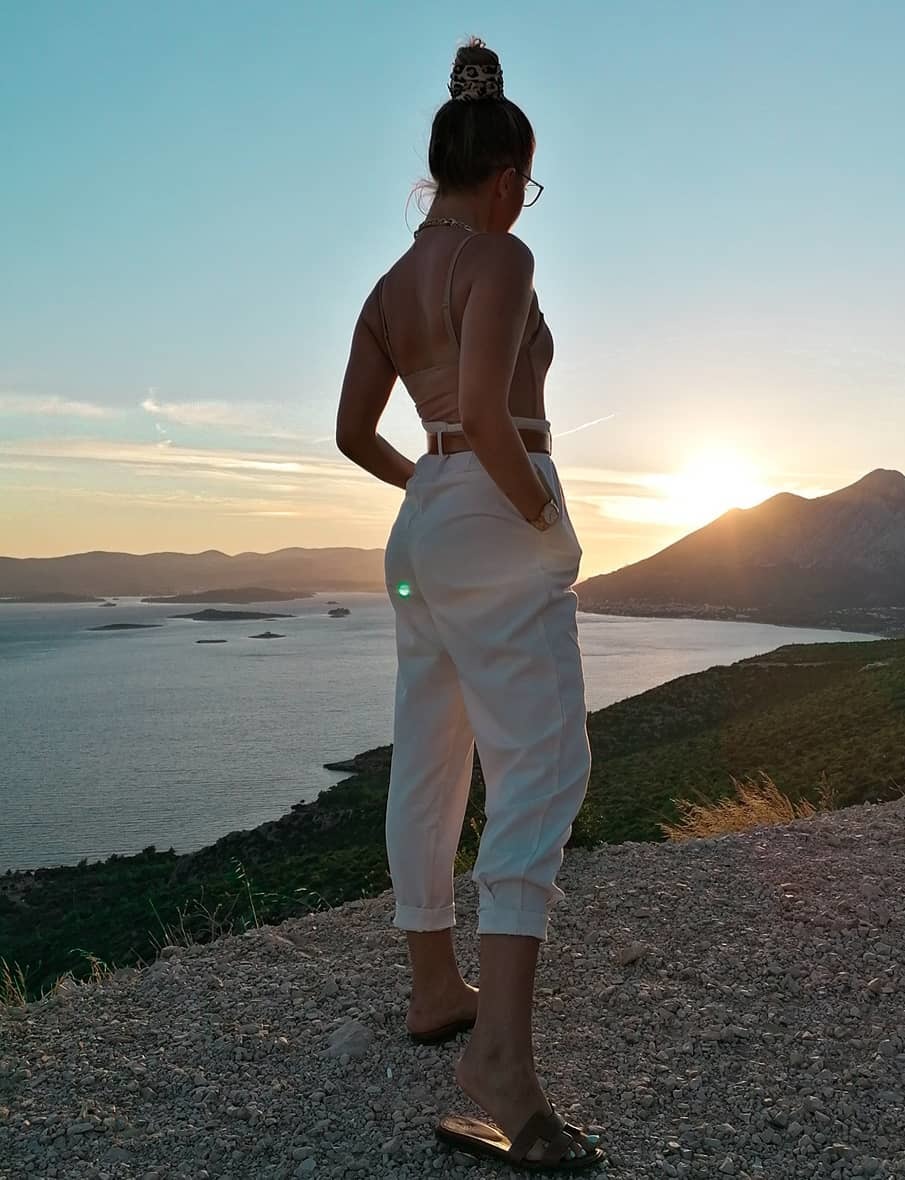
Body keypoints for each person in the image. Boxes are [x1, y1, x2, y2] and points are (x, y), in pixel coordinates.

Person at [335, 36, 604, 1173]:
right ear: (504, 177)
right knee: (543, 767)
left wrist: (431, 488)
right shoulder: (501, 257)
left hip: (425, 522)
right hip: (496, 499)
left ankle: (435, 986)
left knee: (431, 755)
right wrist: (538, 516)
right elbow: (492, 415)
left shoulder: (387, 289)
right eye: (522, 188)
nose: (519, 206)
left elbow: (352, 433)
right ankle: (499, 1064)